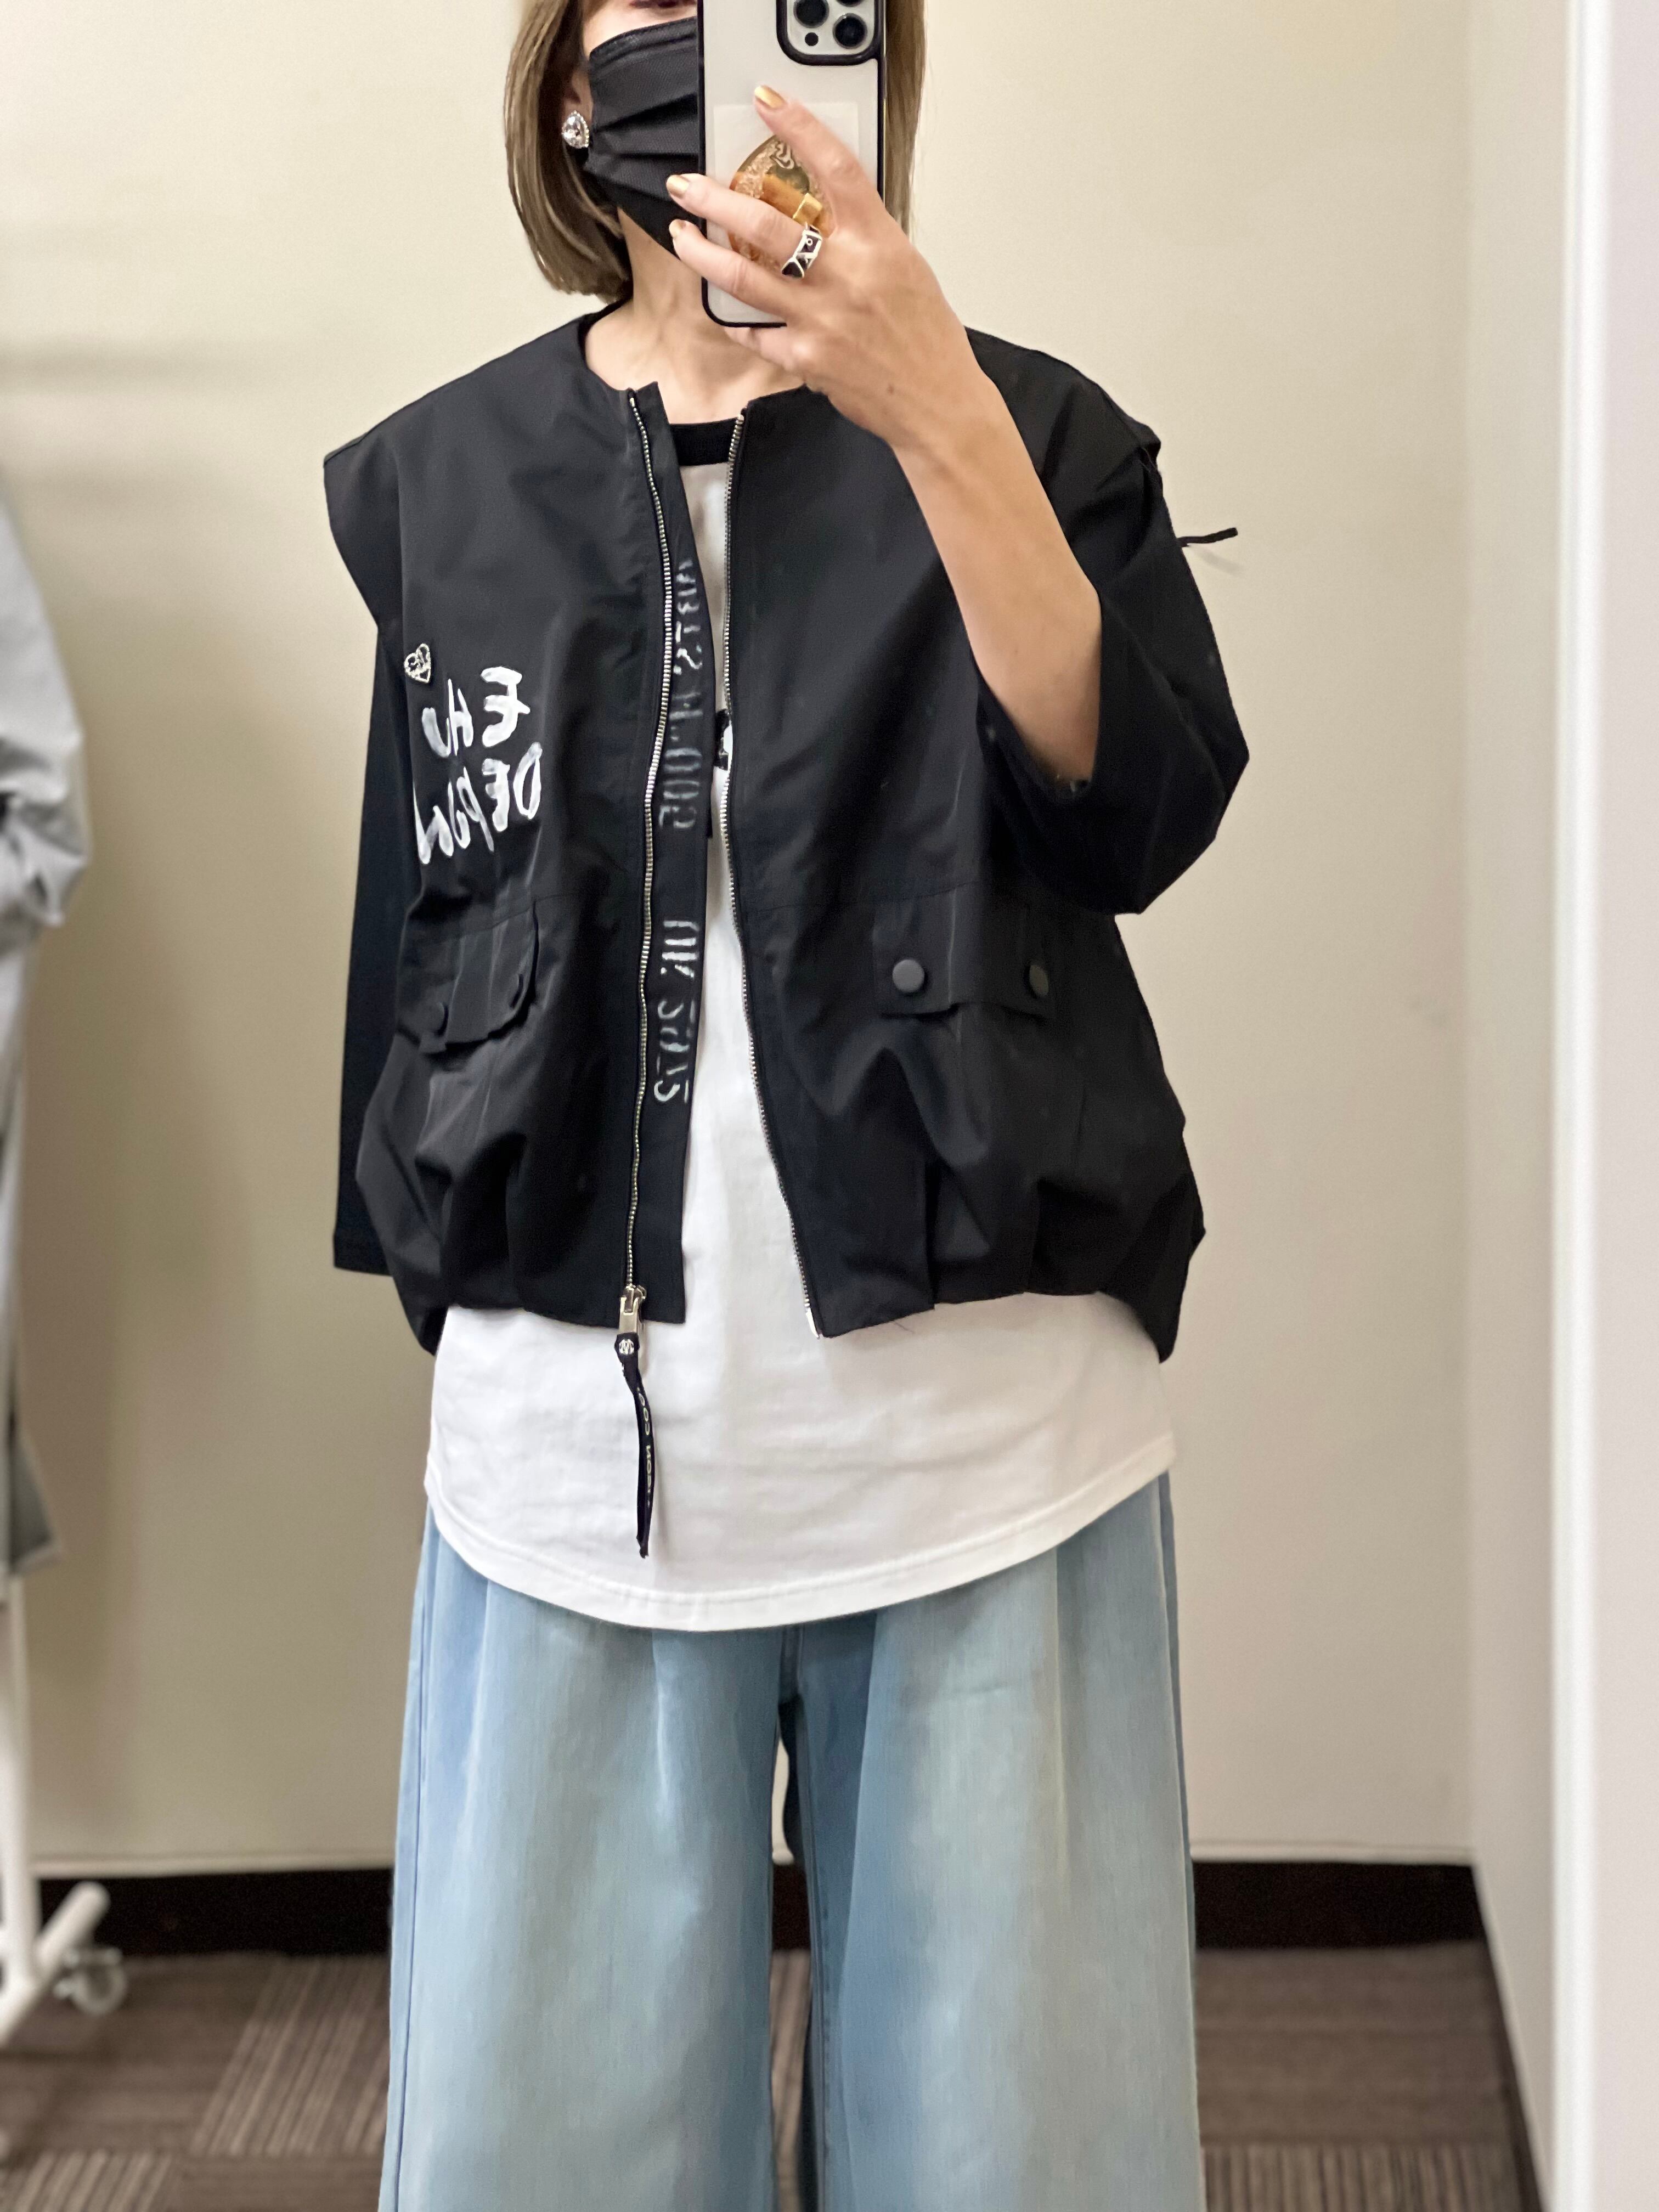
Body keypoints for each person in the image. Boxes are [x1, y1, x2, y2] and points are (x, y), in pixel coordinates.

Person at [325, 0, 1246, 2203]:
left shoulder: (1035, 431)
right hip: (573, 1469)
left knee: (1016, 2163)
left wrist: (933, 409)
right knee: (545, 2158)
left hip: (986, 1451)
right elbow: (419, 958)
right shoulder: (441, 485)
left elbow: (1139, 810)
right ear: (572, 83)